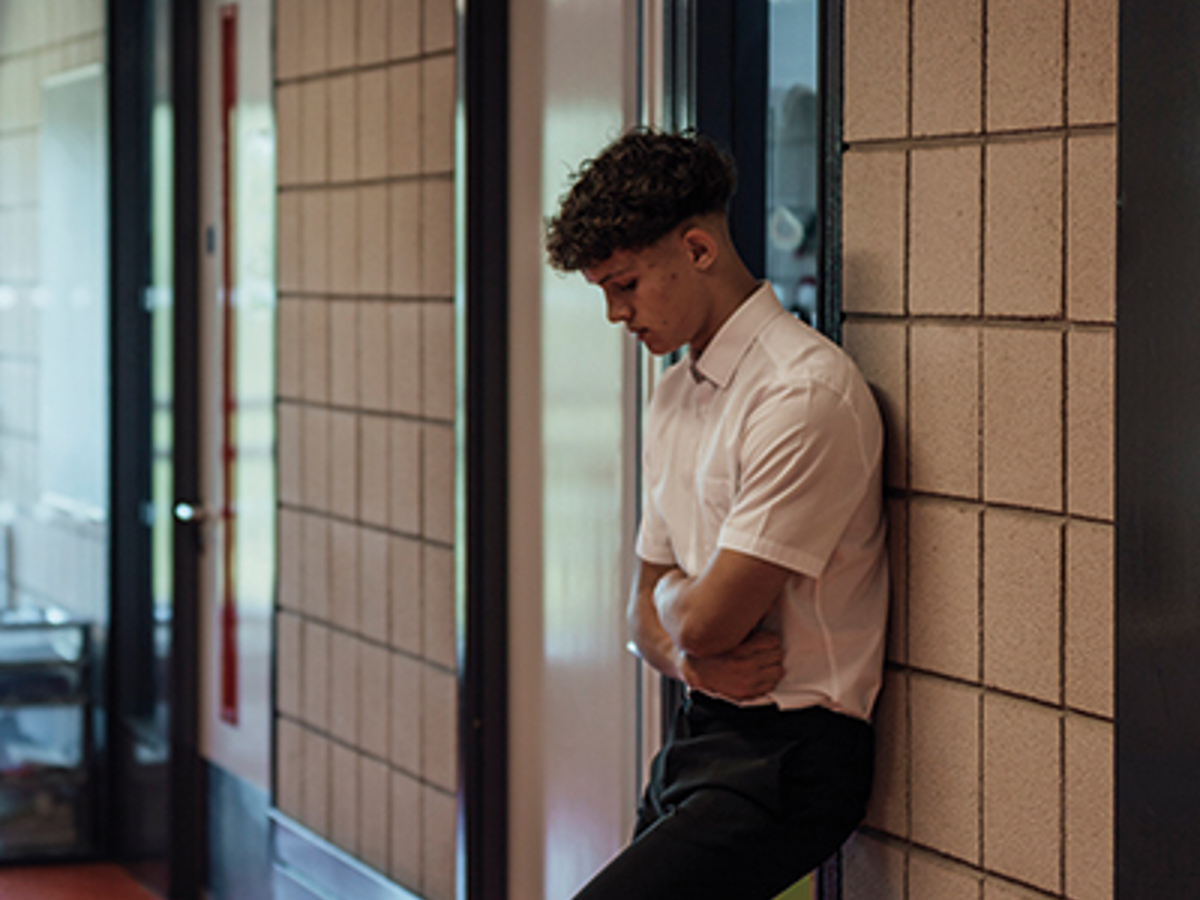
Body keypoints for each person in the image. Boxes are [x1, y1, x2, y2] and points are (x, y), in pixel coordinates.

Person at [545, 129, 889, 900]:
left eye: (625, 284)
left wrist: (681, 622)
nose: (614, 314)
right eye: (603, 290)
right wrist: (683, 645)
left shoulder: (803, 394)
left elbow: (704, 622)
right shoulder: (675, 395)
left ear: (698, 250)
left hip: (794, 756)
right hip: (700, 735)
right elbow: (647, 618)